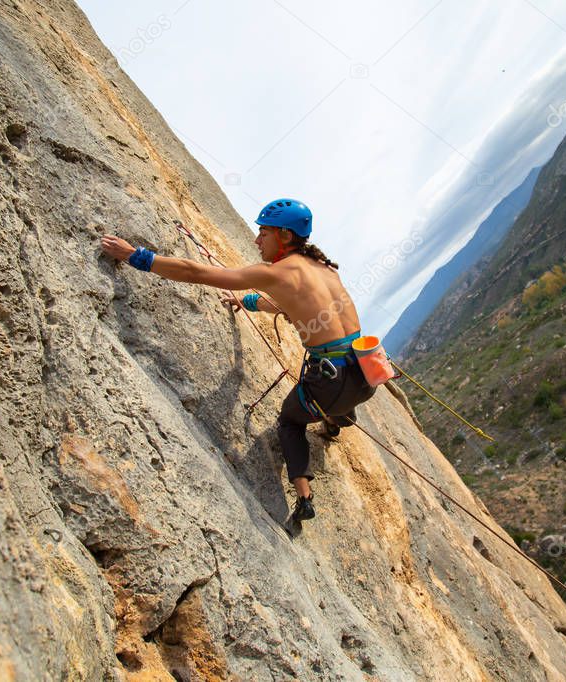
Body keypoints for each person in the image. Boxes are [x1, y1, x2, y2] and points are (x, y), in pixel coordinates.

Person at [100, 198, 376, 522]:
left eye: (264, 233)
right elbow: (293, 305)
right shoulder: (325, 269)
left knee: (290, 420)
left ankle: (304, 497)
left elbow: (195, 272)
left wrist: (137, 256)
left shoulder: (279, 272)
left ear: (285, 236)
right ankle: (338, 421)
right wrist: (246, 301)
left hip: (330, 384)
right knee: (337, 402)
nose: (257, 240)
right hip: (365, 375)